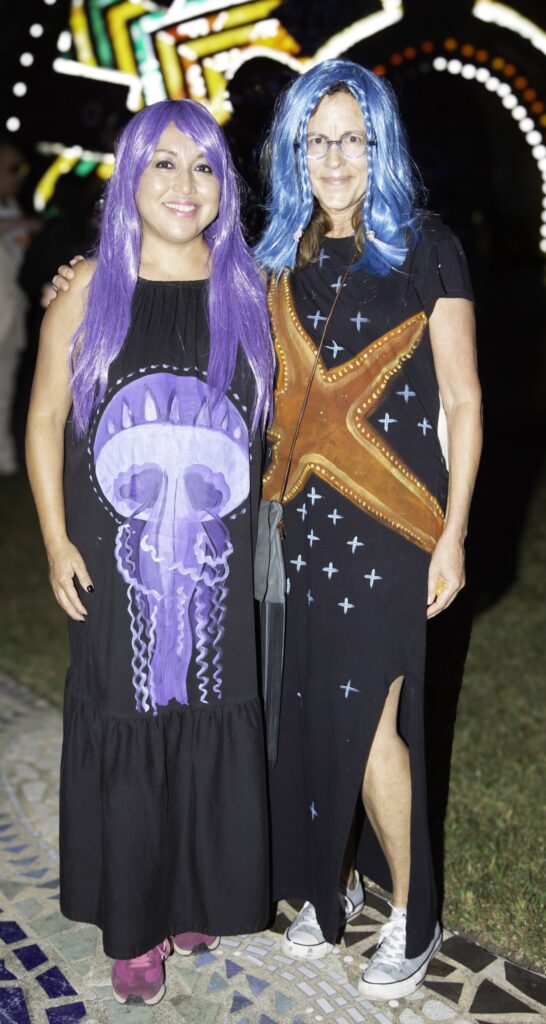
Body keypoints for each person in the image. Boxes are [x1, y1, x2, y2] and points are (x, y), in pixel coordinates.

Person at [26, 98, 274, 1006]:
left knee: (210, 704)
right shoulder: (92, 287)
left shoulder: (250, 288)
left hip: (218, 551)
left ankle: (197, 890)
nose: (183, 184)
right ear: (129, 175)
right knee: (127, 713)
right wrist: (55, 541)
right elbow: (46, 416)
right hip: (111, 546)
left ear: (225, 185)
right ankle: (133, 924)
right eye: (162, 164)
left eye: (203, 165)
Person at [252, 59, 482, 999]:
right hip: (299, 516)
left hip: (394, 522)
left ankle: (414, 911)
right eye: (316, 138)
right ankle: (326, 886)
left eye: (352, 136)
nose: (334, 156)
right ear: (293, 152)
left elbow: (464, 400)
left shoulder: (428, 246)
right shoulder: (279, 254)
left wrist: (457, 532)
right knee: (307, 706)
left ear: (378, 145)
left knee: (371, 712)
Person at [0, 136, 42, 473]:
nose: (19, 174)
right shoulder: (14, 214)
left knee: (6, 388)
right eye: (14, 167)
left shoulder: (13, 205)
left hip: (10, 311)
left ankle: (6, 461)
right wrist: (21, 225)